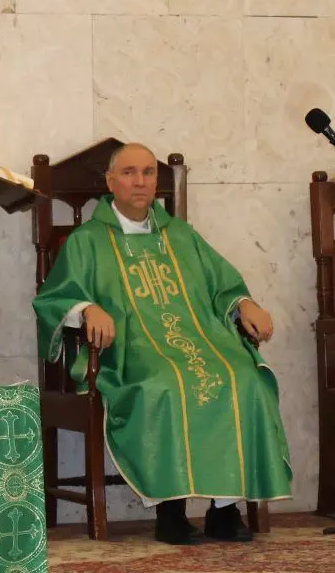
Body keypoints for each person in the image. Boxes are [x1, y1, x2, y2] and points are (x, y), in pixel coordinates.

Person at [33, 142, 292, 545]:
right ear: (110, 181)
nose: (140, 181)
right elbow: (54, 298)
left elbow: (221, 283)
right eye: (129, 172)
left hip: (201, 342)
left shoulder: (181, 234)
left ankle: (224, 511)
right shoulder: (87, 240)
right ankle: (170, 513)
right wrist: (86, 309)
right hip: (132, 351)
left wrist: (244, 303)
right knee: (166, 386)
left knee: (245, 380)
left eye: (149, 173)